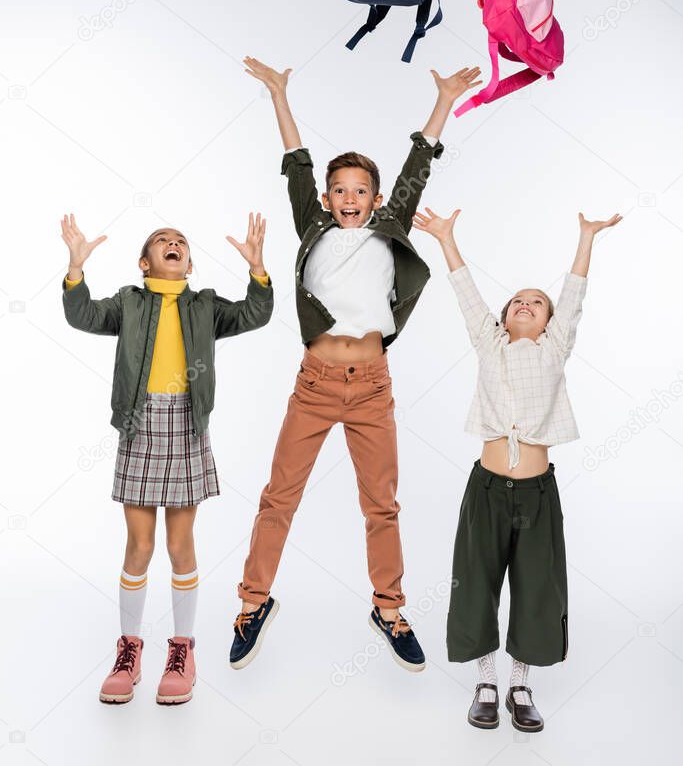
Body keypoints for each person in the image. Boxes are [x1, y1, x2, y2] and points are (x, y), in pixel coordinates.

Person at [229, 56, 482, 673]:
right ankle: (253, 602)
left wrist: (445, 98)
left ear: (374, 198)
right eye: (339, 190)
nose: (349, 198)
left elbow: (419, 165)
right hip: (314, 383)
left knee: (382, 504)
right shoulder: (312, 223)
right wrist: (279, 95)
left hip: (371, 387)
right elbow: (296, 162)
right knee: (278, 497)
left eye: (360, 190)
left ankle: (389, 609)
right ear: (326, 198)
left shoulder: (389, 224)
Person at [412, 205, 621, 731]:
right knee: (476, 581)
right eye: (518, 301)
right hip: (485, 490)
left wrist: (586, 238)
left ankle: (521, 684)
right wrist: (444, 238)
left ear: (550, 323)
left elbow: (573, 296)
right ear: (505, 317)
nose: (526, 304)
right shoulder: (491, 344)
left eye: (537, 303)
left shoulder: (554, 349)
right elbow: (466, 294)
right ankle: (485, 679)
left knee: (535, 587)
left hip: (535, 495)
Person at [61, 213, 273, 704]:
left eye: (179, 241)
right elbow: (82, 316)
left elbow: (254, 314)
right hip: (139, 424)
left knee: (180, 546)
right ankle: (129, 650)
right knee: (139, 547)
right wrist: (75, 270)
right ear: (145, 262)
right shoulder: (129, 303)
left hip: (186, 424)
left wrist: (258, 270)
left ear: (189, 263)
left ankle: (182, 650)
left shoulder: (204, 306)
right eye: (161, 240)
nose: (172, 243)